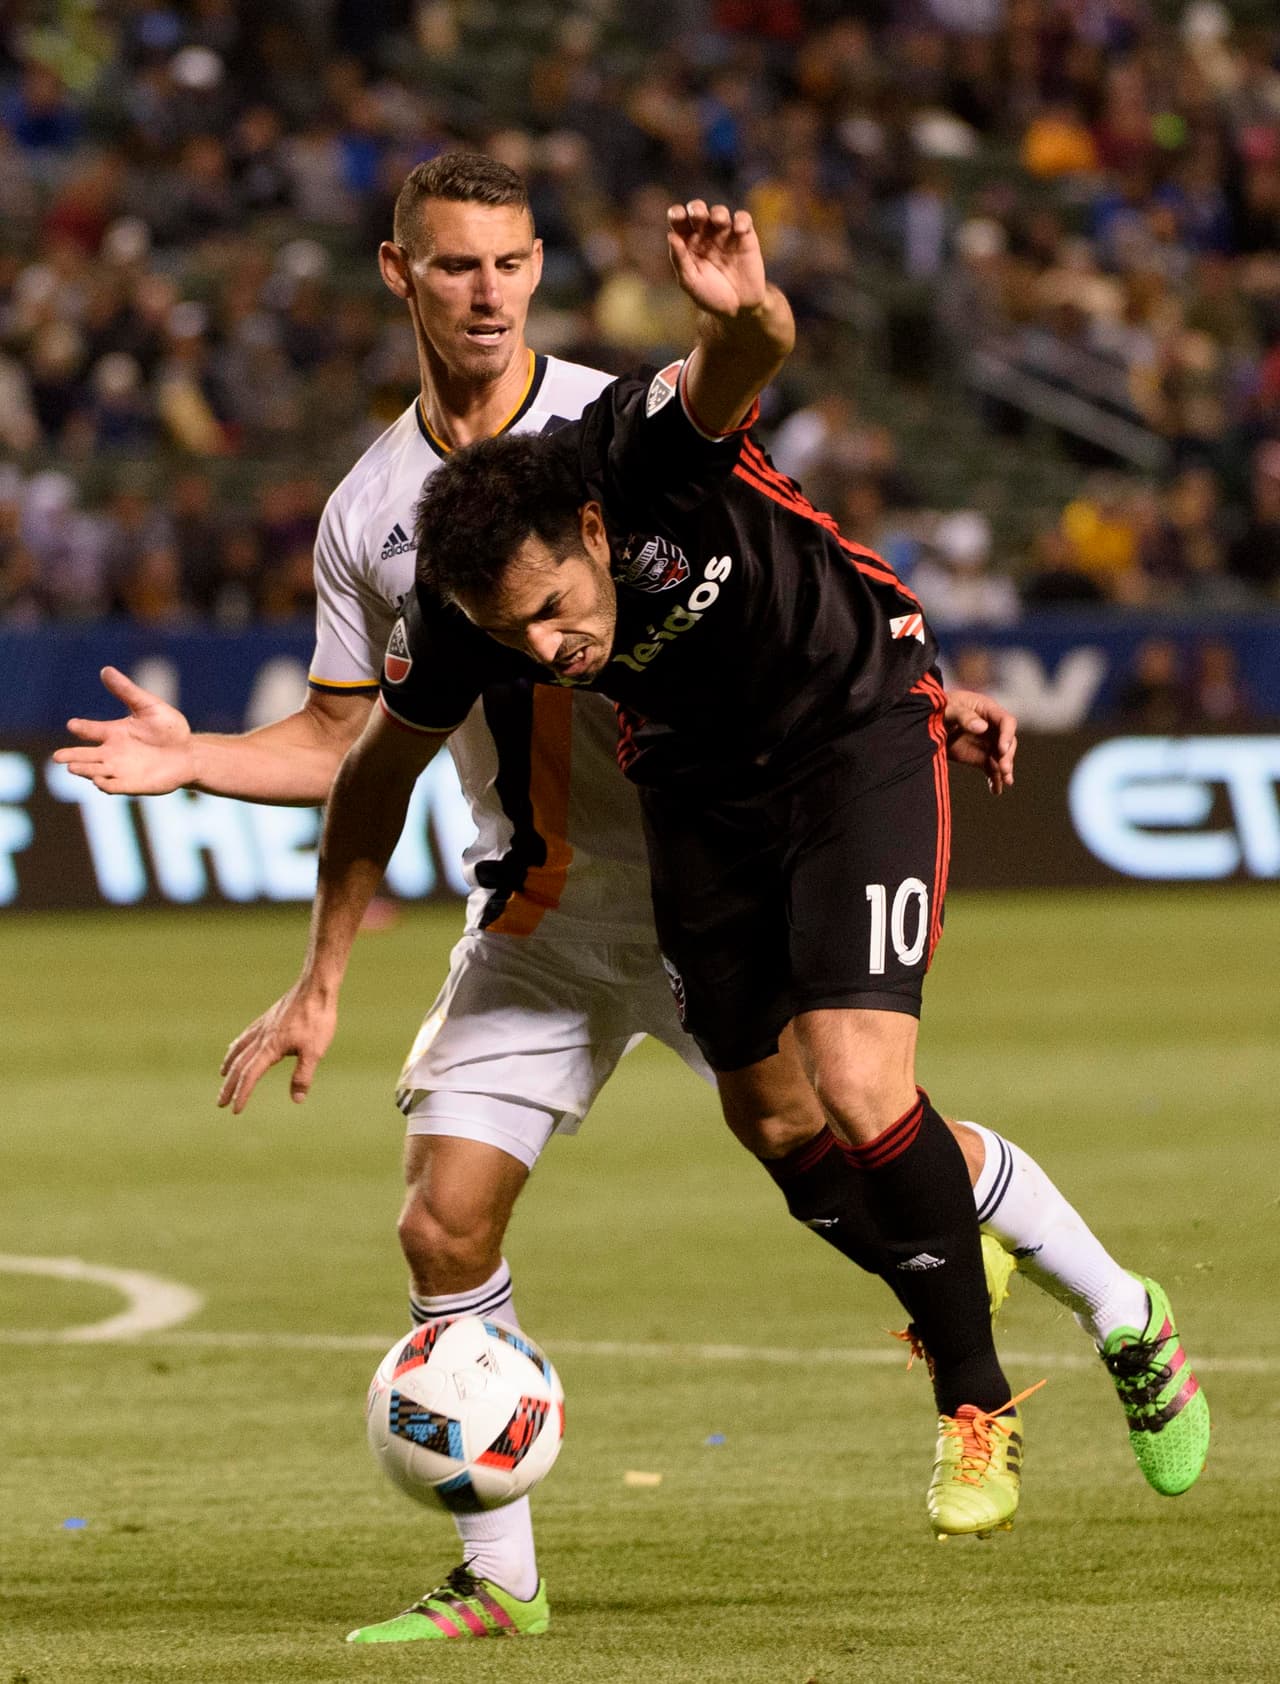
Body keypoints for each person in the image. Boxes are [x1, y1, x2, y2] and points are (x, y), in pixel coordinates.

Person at [59, 160, 1206, 1642]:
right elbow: (357, 750)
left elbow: (792, 539)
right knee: (443, 1223)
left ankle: (1106, 1311)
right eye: (454, 266)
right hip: (542, 905)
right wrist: (205, 768)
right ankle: (499, 1582)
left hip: (709, 852)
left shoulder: (618, 434)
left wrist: (915, 682)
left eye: (508, 263)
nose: (485, 294)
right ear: (399, 275)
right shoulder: (372, 519)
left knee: (844, 1124)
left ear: (540, 267)